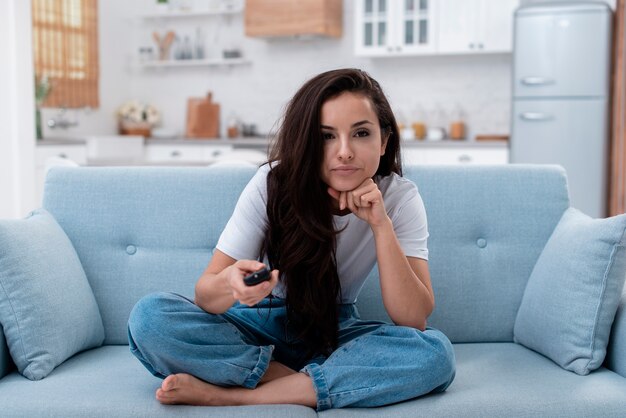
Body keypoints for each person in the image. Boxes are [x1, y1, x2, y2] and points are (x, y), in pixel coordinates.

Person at [127, 68, 456, 410]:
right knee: (150, 317)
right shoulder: (270, 183)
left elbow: (413, 319)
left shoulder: (399, 198)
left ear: (384, 141)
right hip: (256, 329)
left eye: (360, 133)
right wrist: (229, 282)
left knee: (434, 352)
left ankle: (233, 396)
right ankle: (305, 383)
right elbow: (205, 296)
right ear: (306, 141)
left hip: (335, 332)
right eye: (326, 136)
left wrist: (381, 226)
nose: (344, 152)